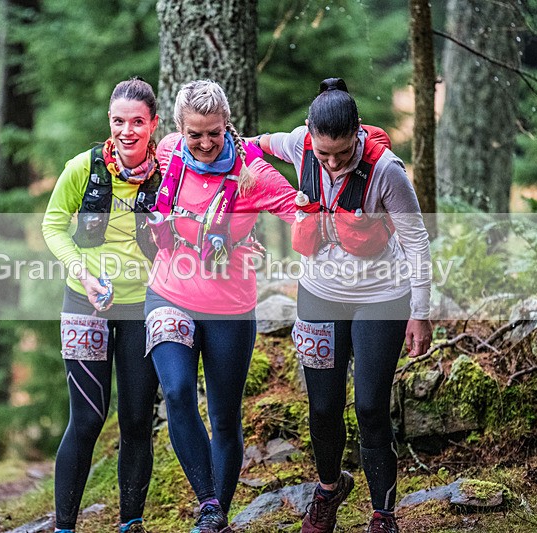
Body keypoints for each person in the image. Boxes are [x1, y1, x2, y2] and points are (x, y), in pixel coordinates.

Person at [254, 78, 432, 533]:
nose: (331, 163)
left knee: (371, 406)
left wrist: (421, 310)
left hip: (381, 297)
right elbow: (261, 144)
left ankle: (383, 515)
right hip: (318, 295)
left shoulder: (387, 170)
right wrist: (230, 142)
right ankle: (329, 491)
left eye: (342, 152)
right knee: (323, 407)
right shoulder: (302, 144)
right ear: (310, 133)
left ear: (358, 133)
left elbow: (416, 240)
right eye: (323, 153)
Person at [145, 79, 296, 533]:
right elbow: (127, 160)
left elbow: (303, 214)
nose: (206, 143)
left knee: (225, 417)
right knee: (175, 393)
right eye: (196, 134)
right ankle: (210, 503)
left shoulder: (254, 174)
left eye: (215, 132)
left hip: (229, 305)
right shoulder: (169, 151)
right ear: (180, 130)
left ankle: (216, 519)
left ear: (228, 125)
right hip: (168, 292)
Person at [41, 77, 162, 533]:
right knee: (88, 419)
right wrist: (81, 272)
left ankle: (131, 523)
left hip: (142, 307)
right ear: (108, 122)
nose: (127, 131)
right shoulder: (82, 168)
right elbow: (53, 227)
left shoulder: (168, 171)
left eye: (137, 122)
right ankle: (65, 527)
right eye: (118, 121)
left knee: (135, 420)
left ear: (153, 123)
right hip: (84, 302)